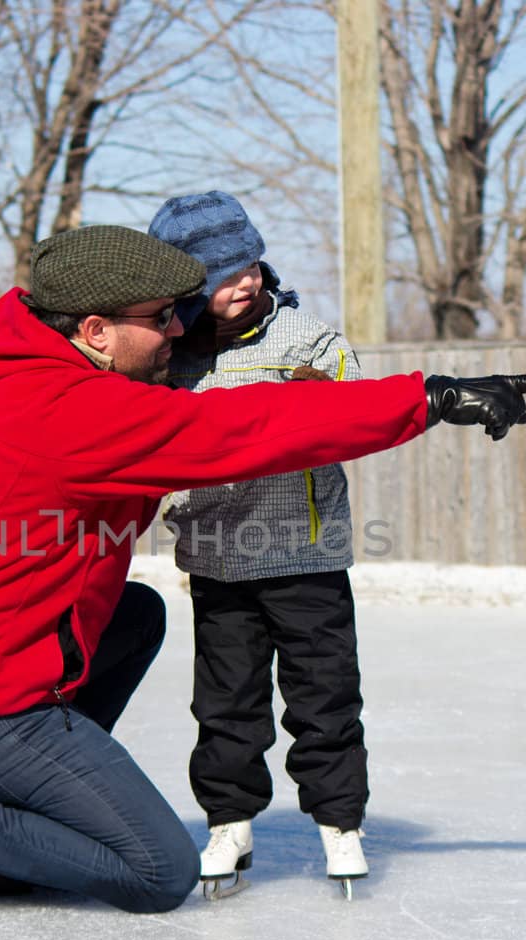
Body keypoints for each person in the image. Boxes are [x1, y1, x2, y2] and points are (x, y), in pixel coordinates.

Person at [0, 223, 526, 914]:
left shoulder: (13, 363)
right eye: (161, 317)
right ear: (94, 330)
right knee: (156, 868)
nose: (179, 330)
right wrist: (425, 397)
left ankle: (20, 842)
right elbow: (235, 431)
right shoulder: (68, 411)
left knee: (135, 615)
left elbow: (220, 413)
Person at [147, 190, 373, 900]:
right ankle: (229, 819)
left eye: (249, 263)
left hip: (305, 554)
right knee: (226, 703)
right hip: (219, 559)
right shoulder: (174, 357)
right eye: (222, 273)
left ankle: (340, 823)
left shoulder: (299, 332)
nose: (243, 281)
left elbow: (355, 387)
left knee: (324, 697)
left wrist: (324, 390)